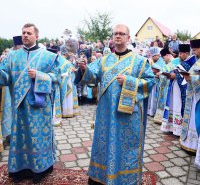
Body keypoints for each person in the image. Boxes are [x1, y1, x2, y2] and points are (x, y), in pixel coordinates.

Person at [75, 24, 155, 184]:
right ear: (112, 38)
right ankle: (100, 177)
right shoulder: (103, 61)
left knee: (127, 147)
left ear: (128, 37)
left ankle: (126, 178)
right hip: (106, 114)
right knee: (103, 145)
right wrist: (84, 68)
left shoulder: (139, 61)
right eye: (115, 33)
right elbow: (92, 77)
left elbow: (150, 81)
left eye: (122, 33)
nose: (118, 36)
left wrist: (129, 81)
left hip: (128, 115)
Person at [0, 23, 68, 183]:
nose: (25, 35)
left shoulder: (49, 56)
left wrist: (40, 75)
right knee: (21, 137)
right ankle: (20, 169)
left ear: (36, 36)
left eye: (29, 33)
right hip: (20, 106)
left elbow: (58, 77)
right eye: (23, 33)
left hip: (39, 106)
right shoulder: (12, 56)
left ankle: (41, 168)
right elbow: (5, 78)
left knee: (38, 137)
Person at [161, 44, 196, 136]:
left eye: (181, 53)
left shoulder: (191, 61)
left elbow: (185, 74)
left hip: (182, 90)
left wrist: (174, 75)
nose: (179, 55)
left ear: (187, 53)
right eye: (179, 53)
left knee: (178, 105)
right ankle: (173, 127)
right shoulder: (184, 61)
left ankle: (179, 129)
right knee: (175, 105)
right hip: (176, 88)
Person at [180, 39, 200, 160]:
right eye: (193, 50)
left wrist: (191, 79)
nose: (194, 52)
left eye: (196, 49)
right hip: (193, 96)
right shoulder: (197, 62)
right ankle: (190, 143)